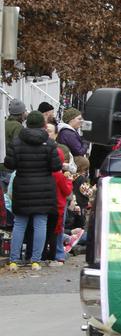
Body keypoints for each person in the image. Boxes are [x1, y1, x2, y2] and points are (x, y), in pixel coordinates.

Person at [5, 111, 61, 270]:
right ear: (43, 126)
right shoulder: (49, 144)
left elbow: (9, 164)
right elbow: (56, 166)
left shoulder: (16, 142)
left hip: (22, 185)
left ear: (27, 123)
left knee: (20, 223)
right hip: (44, 187)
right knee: (40, 223)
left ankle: (14, 260)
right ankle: (36, 260)